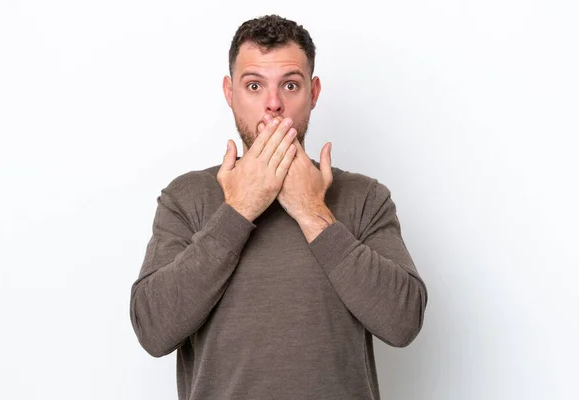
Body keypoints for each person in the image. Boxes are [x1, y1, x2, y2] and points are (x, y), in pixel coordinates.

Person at [130, 14, 428, 400]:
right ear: (229, 92)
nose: (273, 104)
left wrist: (311, 211)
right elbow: (154, 330)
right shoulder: (186, 197)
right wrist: (238, 209)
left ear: (314, 92)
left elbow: (403, 322)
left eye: (290, 85)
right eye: (254, 85)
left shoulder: (364, 197)